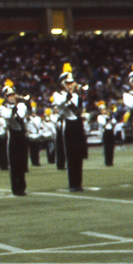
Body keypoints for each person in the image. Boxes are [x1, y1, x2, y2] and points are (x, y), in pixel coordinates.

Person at [53, 63, 85, 192]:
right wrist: (68, 95)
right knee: (70, 155)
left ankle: (79, 183)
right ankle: (72, 183)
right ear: (62, 83)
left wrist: (73, 93)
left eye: (72, 83)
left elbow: (76, 106)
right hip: (68, 124)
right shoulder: (57, 94)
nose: (71, 85)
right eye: (68, 83)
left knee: (78, 154)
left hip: (76, 123)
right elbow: (61, 104)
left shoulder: (76, 95)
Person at [0, 82, 29, 196]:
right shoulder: (3, 108)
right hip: (12, 135)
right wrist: (15, 106)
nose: (12, 97)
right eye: (9, 95)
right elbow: (9, 116)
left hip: (21, 134)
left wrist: (18, 103)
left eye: (13, 94)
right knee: (14, 162)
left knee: (21, 161)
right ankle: (15, 187)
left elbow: (20, 116)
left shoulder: (21, 105)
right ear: (6, 97)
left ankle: (22, 186)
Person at [97, 102, 117, 166]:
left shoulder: (109, 116)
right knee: (106, 147)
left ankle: (111, 161)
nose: (104, 111)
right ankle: (107, 162)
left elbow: (114, 122)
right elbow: (103, 123)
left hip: (111, 131)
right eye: (103, 110)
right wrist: (108, 117)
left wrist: (110, 116)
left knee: (111, 147)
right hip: (105, 132)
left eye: (105, 109)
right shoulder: (100, 117)